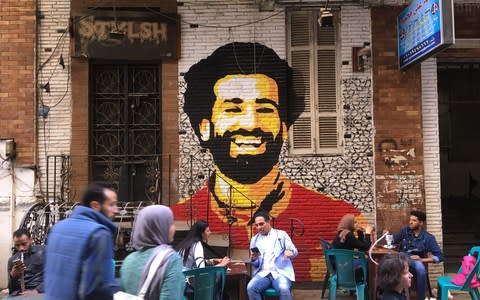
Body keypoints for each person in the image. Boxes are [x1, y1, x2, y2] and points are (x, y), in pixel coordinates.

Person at [172, 42, 360, 281]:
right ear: (205, 127)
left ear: (283, 127)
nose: (250, 124)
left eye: (265, 109)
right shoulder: (178, 214)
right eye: (233, 109)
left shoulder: (341, 213)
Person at [45, 182, 119, 300]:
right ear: (95, 206)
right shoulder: (99, 234)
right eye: (112, 205)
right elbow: (97, 289)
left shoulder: (57, 228)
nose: (116, 210)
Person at [120, 205, 185, 299]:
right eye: (170, 223)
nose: (174, 228)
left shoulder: (128, 260)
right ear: (160, 227)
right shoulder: (170, 259)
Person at [389, 210, 444, 300]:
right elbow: (392, 241)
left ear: (421, 223)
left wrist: (422, 260)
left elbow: (440, 256)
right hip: (401, 259)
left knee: (420, 268)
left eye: (414, 220)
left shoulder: (428, 237)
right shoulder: (405, 231)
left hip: (415, 263)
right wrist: (386, 235)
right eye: (410, 220)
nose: (410, 222)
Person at [247, 211, 297, 300]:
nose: (259, 227)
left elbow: (294, 250)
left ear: (268, 222)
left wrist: (290, 252)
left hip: (280, 273)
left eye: (261, 224)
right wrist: (254, 259)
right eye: (256, 225)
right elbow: (256, 264)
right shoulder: (255, 240)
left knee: (284, 289)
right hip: (263, 274)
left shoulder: (281, 235)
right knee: (251, 288)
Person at [7, 229, 45, 297]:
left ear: (31, 240)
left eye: (24, 244)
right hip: (19, 294)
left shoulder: (43, 252)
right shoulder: (12, 260)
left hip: (40, 291)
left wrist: (37, 290)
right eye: (17, 246)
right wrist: (12, 275)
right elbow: (11, 289)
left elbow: (55, 276)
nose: (21, 248)